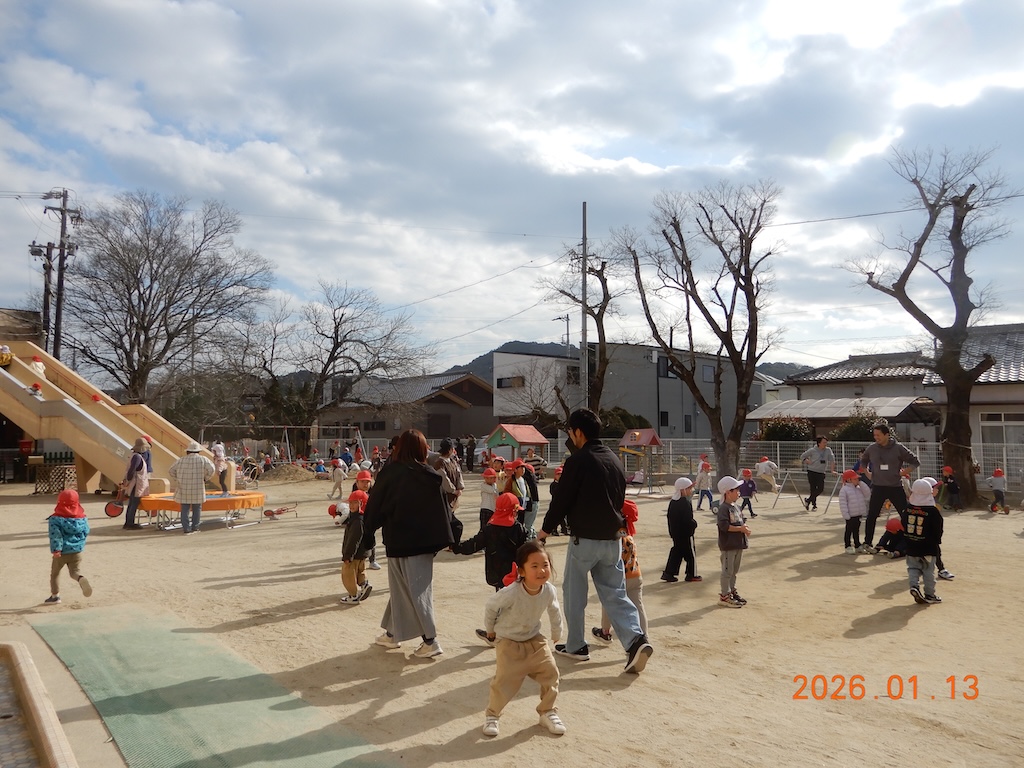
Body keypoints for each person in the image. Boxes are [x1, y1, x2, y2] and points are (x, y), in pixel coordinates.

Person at [537, 408, 653, 674]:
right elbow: (619, 498)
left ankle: (576, 645)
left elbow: (561, 500)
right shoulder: (614, 459)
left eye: (570, 432)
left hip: (585, 539)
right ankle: (636, 640)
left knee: (574, 593)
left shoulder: (577, 461)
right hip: (613, 538)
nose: (570, 436)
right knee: (615, 593)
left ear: (578, 432)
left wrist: (544, 531)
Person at [361, 429, 462, 657]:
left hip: (398, 540)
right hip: (424, 543)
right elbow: (444, 510)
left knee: (415, 591)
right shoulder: (430, 474)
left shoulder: (390, 473)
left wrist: (368, 534)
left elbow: (375, 506)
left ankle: (430, 641)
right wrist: (451, 535)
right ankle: (392, 634)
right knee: (405, 588)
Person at [480, 540, 565, 738]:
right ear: (521, 571)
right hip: (508, 642)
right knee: (504, 681)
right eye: (534, 566)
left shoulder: (549, 590)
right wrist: (490, 630)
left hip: (535, 639)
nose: (541, 570)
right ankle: (492, 715)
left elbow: (554, 610)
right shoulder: (511, 592)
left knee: (551, 672)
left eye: (545, 565)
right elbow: (491, 606)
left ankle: (547, 711)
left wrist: (556, 632)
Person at [592, 499, 648, 644]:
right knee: (638, 608)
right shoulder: (628, 533)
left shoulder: (615, 536)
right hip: (635, 575)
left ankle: (605, 632)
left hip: (619, 577)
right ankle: (644, 637)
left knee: (609, 601)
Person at [860, 423, 921, 552]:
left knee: (906, 514)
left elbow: (915, 461)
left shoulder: (898, 448)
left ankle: (911, 541)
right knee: (872, 515)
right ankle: (867, 542)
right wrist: (866, 471)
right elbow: (864, 460)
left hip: (895, 487)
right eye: (874, 435)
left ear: (887, 435)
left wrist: (904, 472)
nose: (876, 437)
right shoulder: (872, 448)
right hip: (878, 487)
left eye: (878, 435)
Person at [453, 492, 528, 593]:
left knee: (501, 597)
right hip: (516, 574)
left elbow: (473, 545)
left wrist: (457, 547)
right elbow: (528, 551)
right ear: (513, 512)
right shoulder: (518, 529)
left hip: (495, 575)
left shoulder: (489, 529)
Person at [45, 489, 93, 604]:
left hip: (62, 552)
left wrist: (56, 550)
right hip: (77, 551)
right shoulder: (82, 518)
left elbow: (56, 536)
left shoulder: (55, 519)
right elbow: (86, 531)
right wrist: (79, 544)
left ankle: (55, 596)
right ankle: (80, 578)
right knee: (74, 572)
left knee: (55, 573)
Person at [902, 478, 944, 605]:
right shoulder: (932, 511)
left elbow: (903, 524)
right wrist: (937, 541)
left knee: (913, 568)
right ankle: (930, 594)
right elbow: (938, 529)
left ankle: (914, 586)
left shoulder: (908, 508)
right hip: (928, 547)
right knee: (928, 571)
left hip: (911, 546)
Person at [716, 475, 751, 608]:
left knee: (734, 571)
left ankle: (731, 590)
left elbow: (741, 520)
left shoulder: (736, 506)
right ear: (728, 492)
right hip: (728, 545)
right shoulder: (723, 508)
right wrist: (740, 529)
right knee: (727, 571)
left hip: (738, 543)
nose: (738, 493)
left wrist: (744, 528)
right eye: (736, 490)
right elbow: (724, 526)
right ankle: (724, 595)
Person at [168, 441, 215, 535]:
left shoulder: (181, 460)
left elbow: (171, 470)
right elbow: (212, 469)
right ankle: (195, 527)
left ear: (188, 451)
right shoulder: (203, 459)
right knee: (197, 508)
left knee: (184, 508)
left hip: (183, 487)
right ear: (198, 451)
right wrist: (205, 478)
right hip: (198, 487)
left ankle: (186, 528)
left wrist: (178, 478)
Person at [662, 477, 700, 583]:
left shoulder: (673, 502)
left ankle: (669, 573)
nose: (691, 490)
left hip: (676, 534)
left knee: (677, 552)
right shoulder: (685, 503)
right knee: (691, 554)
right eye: (689, 488)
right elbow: (688, 520)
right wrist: (694, 525)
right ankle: (692, 574)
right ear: (682, 490)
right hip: (686, 534)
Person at [339, 490, 373, 604]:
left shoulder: (357, 520)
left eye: (355, 503)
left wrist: (348, 556)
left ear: (362, 504)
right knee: (360, 572)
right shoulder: (364, 517)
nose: (351, 505)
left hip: (355, 554)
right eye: (350, 503)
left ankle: (353, 596)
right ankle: (365, 585)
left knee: (348, 574)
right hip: (362, 553)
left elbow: (354, 540)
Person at [800, 436, 836, 511]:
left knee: (820, 489)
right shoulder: (812, 450)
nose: (825, 444)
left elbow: (832, 460)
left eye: (826, 442)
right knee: (813, 488)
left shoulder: (828, 450)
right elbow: (802, 456)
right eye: (824, 442)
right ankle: (814, 505)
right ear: (819, 443)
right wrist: (807, 461)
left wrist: (832, 470)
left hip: (821, 472)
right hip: (812, 471)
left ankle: (808, 500)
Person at [122, 437, 150, 530]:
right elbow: (132, 470)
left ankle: (128, 522)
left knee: (132, 503)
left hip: (134, 483)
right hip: (136, 484)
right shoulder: (137, 457)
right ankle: (129, 523)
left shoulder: (134, 456)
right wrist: (128, 480)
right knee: (133, 504)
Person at [838, 469, 870, 554]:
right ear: (849, 480)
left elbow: (868, 495)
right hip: (850, 515)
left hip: (858, 514)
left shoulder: (859, 489)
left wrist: (861, 484)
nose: (857, 480)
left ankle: (857, 544)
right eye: (855, 479)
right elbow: (843, 503)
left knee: (856, 530)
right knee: (848, 530)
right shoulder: (844, 490)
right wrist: (846, 515)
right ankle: (847, 545)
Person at [432, 438, 464, 511]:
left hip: (454, 496)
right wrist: (453, 491)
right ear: (450, 450)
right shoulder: (439, 463)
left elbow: (459, 474)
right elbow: (444, 479)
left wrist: (460, 488)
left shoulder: (453, 461)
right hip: (445, 496)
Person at [547, 466, 569, 536]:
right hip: (555, 504)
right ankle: (554, 530)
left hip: (563, 503)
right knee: (555, 518)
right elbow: (553, 493)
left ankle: (564, 529)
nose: (560, 476)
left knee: (563, 518)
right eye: (558, 474)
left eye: (561, 474)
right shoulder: (553, 484)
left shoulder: (564, 484)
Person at [522, 462, 541, 537]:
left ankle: (530, 539)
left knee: (528, 525)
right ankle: (533, 537)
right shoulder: (532, 479)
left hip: (532, 503)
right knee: (530, 524)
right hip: (535, 503)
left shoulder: (528, 478)